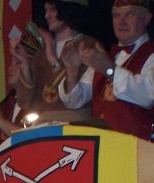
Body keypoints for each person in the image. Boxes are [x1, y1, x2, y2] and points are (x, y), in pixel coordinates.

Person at [59, 0, 154, 141]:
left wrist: (109, 69)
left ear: (146, 19)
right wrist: (72, 72)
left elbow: (148, 95)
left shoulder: (150, 54)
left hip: (138, 148)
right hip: (102, 147)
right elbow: (74, 101)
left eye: (130, 14)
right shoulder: (107, 56)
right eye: (116, 16)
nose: (121, 21)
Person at [13, 2, 94, 123]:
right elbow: (25, 102)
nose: (47, 15)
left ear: (67, 9)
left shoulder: (88, 46)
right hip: (43, 124)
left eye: (52, 10)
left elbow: (76, 97)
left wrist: (52, 58)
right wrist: (24, 62)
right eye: (46, 10)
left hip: (74, 123)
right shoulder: (41, 53)